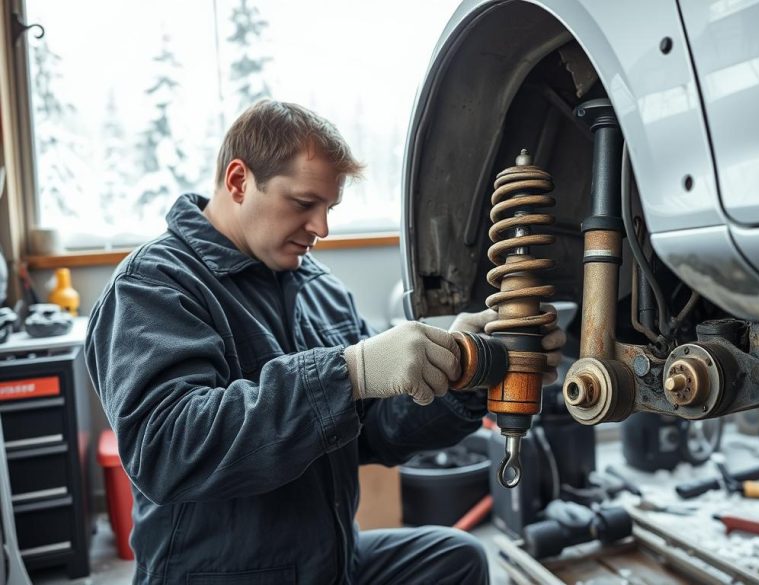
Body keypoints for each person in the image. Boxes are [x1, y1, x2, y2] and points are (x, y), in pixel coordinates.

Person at [85, 100, 565, 585]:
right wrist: (348, 373)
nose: (322, 228)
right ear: (238, 181)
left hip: (328, 561)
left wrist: (463, 371)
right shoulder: (153, 286)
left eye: (329, 208)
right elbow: (166, 451)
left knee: (454, 559)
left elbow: (374, 431)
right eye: (303, 204)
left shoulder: (318, 288)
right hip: (225, 574)